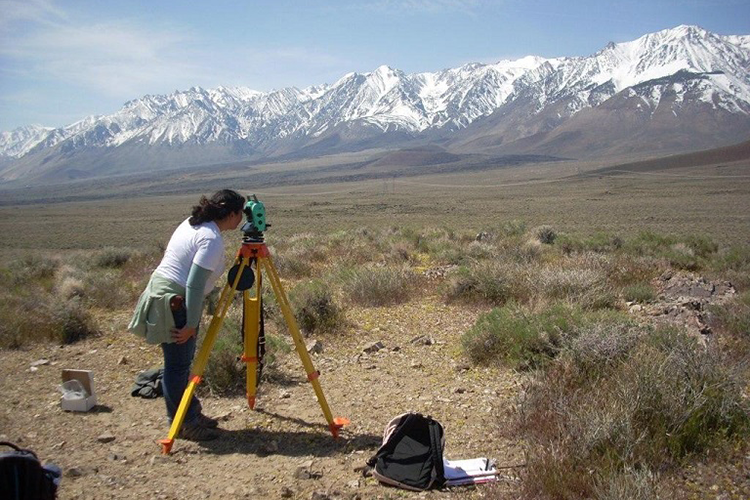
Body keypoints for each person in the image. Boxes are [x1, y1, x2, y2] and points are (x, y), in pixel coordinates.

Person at [128, 189, 245, 441]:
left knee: (180, 365)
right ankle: (183, 423)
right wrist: (192, 323)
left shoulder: (194, 224)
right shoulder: (210, 238)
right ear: (232, 213)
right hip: (175, 301)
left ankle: (190, 413)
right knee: (177, 366)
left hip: (168, 294)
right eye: (240, 214)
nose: (242, 220)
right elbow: (193, 284)